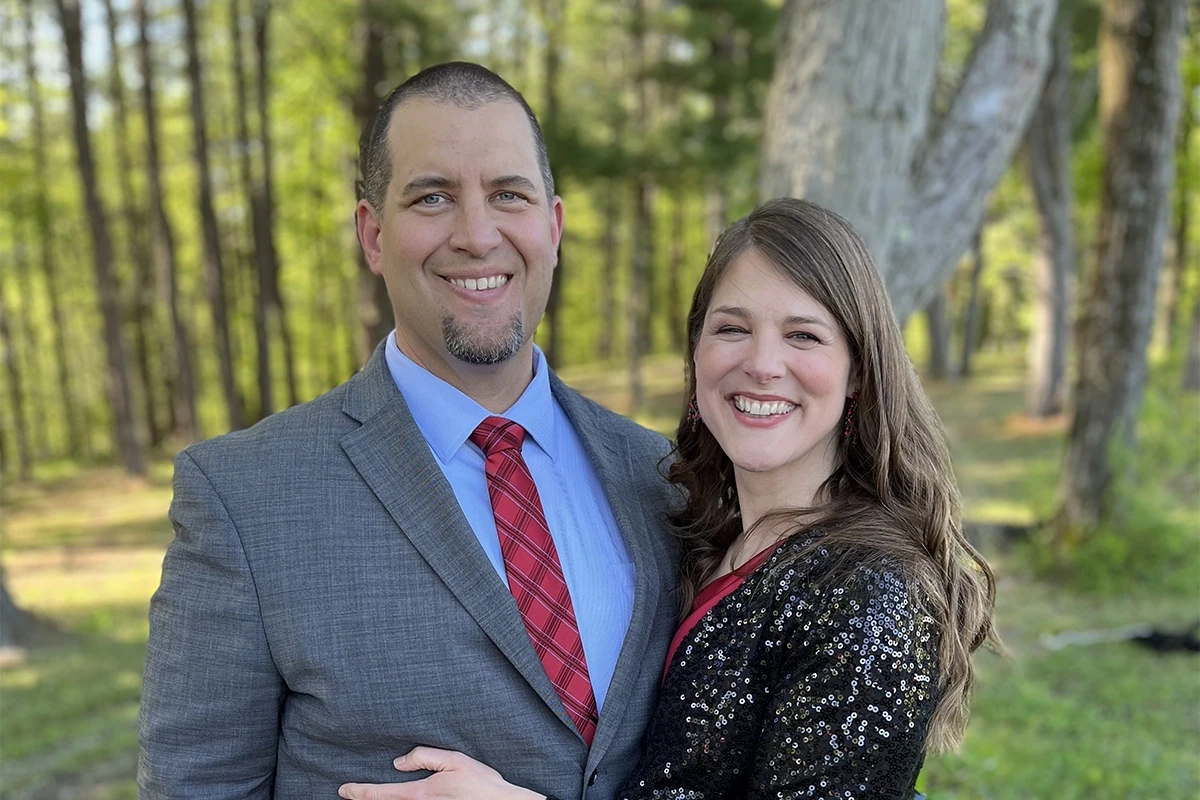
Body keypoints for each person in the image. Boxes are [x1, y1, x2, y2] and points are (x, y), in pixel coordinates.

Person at [137, 62, 680, 800]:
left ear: (552, 226)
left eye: (507, 195)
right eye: (433, 197)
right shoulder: (244, 499)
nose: (477, 234)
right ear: (373, 233)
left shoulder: (663, 479)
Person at [339, 198, 998, 799]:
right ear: (697, 354)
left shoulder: (865, 592)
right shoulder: (700, 536)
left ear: (858, 370)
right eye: (732, 329)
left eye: (804, 335)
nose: (763, 363)